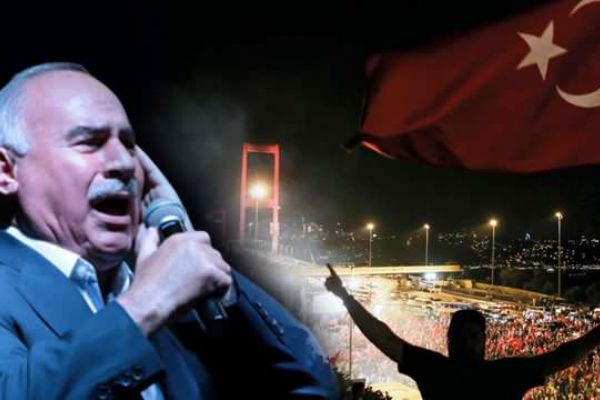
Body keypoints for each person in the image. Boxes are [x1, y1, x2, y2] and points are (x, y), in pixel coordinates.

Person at [0, 62, 339, 400]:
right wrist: (148, 303)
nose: (124, 163)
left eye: (128, 144)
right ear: (7, 172)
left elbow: (313, 386)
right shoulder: (154, 300)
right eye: (89, 142)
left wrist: (218, 284)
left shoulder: (176, 306)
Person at [324, 264, 600, 400]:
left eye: (472, 336)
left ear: (484, 340)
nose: (466, 343)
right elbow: (384, 338)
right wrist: (345, 298)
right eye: (460, 336)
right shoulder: (502, 374)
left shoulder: (437, 370)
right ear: (449, 340)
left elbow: (564, 355)